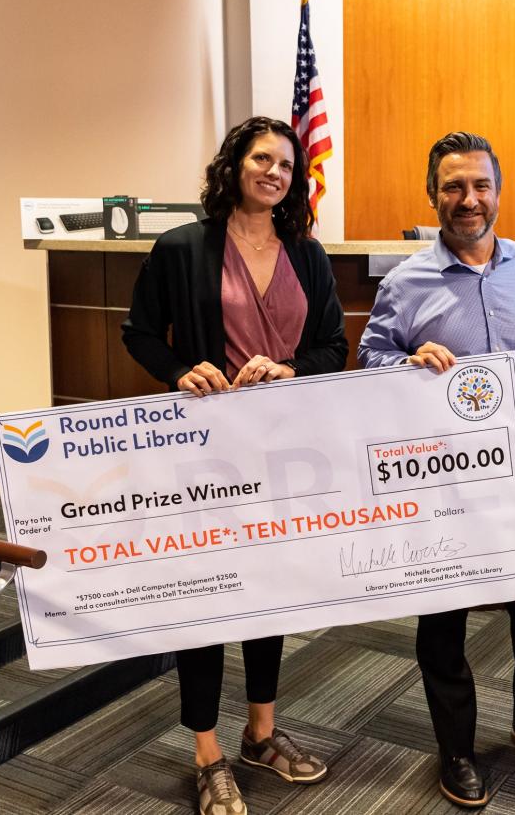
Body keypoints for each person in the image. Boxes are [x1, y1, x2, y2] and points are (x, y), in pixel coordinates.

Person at [122, 115, 348, 815]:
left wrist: (287, 369)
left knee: (267, 591)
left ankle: (261, 733)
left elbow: (333, 346)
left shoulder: (306, 254)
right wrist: (181, 369)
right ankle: (208, 753)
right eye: (261, 158)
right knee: (206, 596)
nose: (274, 171)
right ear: (234, 165)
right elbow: (138, 332)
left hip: (282, 449)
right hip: (206, 453)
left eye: (286, 163)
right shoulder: (183, 247)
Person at [358, 131, 515, 808]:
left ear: (498, 192)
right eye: (454, 187)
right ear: (432, 196)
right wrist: (406, 363)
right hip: (446, 469)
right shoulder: (405, 283)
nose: (469, 200)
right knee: (444, 610)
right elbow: (368, 362)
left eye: (480, 186)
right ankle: (454, 747)